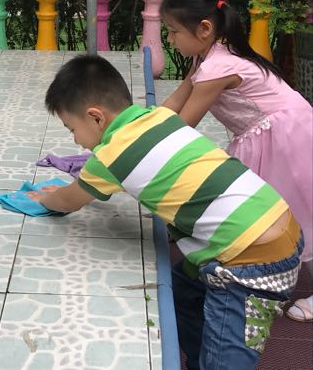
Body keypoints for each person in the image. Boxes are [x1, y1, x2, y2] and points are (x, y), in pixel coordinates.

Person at [28, 54, 303, 370]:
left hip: (250, 262)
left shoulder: (110, 156)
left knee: (226, 361)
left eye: (71, 129)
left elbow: (69, 201)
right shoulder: (158, 117)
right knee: (180, 291)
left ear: (96, 118)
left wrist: (44, 199)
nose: (75, 140)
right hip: (274, 221)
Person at [159, 0, 313, 323]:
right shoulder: (208, 57)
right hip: (268, 136)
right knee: (262, 209)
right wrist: (136, 127)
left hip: (286, 137)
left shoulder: (218, 67)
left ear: (203, 28)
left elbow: (181, 128)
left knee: (302, 208)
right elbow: (173, 105)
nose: (170, 39)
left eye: (173, 31)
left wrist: (134, 150)